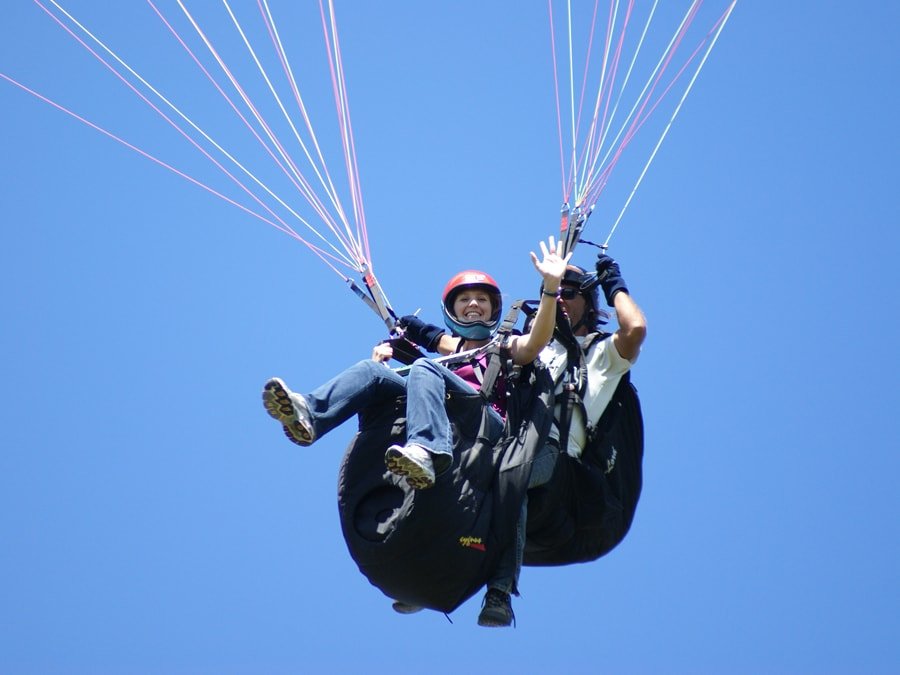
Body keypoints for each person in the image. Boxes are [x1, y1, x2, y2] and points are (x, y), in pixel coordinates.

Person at [261, 236, 570, 492]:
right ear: (453, 310)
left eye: (482, 299)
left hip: (487, 423)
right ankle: (309, 414)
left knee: (425, 368)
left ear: (493, 309)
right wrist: (388, 360)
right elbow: (438, 344)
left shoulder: (504, 346)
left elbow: (535, 342)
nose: (474, 304)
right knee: (372, 371)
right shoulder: (453, 352)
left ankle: (426, 452)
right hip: (448, 413)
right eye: (464, 299)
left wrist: (550, 288)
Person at [476, 252, 647, 628]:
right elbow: (468, 354)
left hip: (560, 470)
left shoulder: (601, 355)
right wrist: (415, 338)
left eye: (571, 293)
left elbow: (635, 329)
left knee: (512, 477)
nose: (561, 299)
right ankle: (427, 568)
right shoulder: (530, 347)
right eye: (556, 292)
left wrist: (613, 283)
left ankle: (500, 592)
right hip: (508, 446)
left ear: (589, 305)